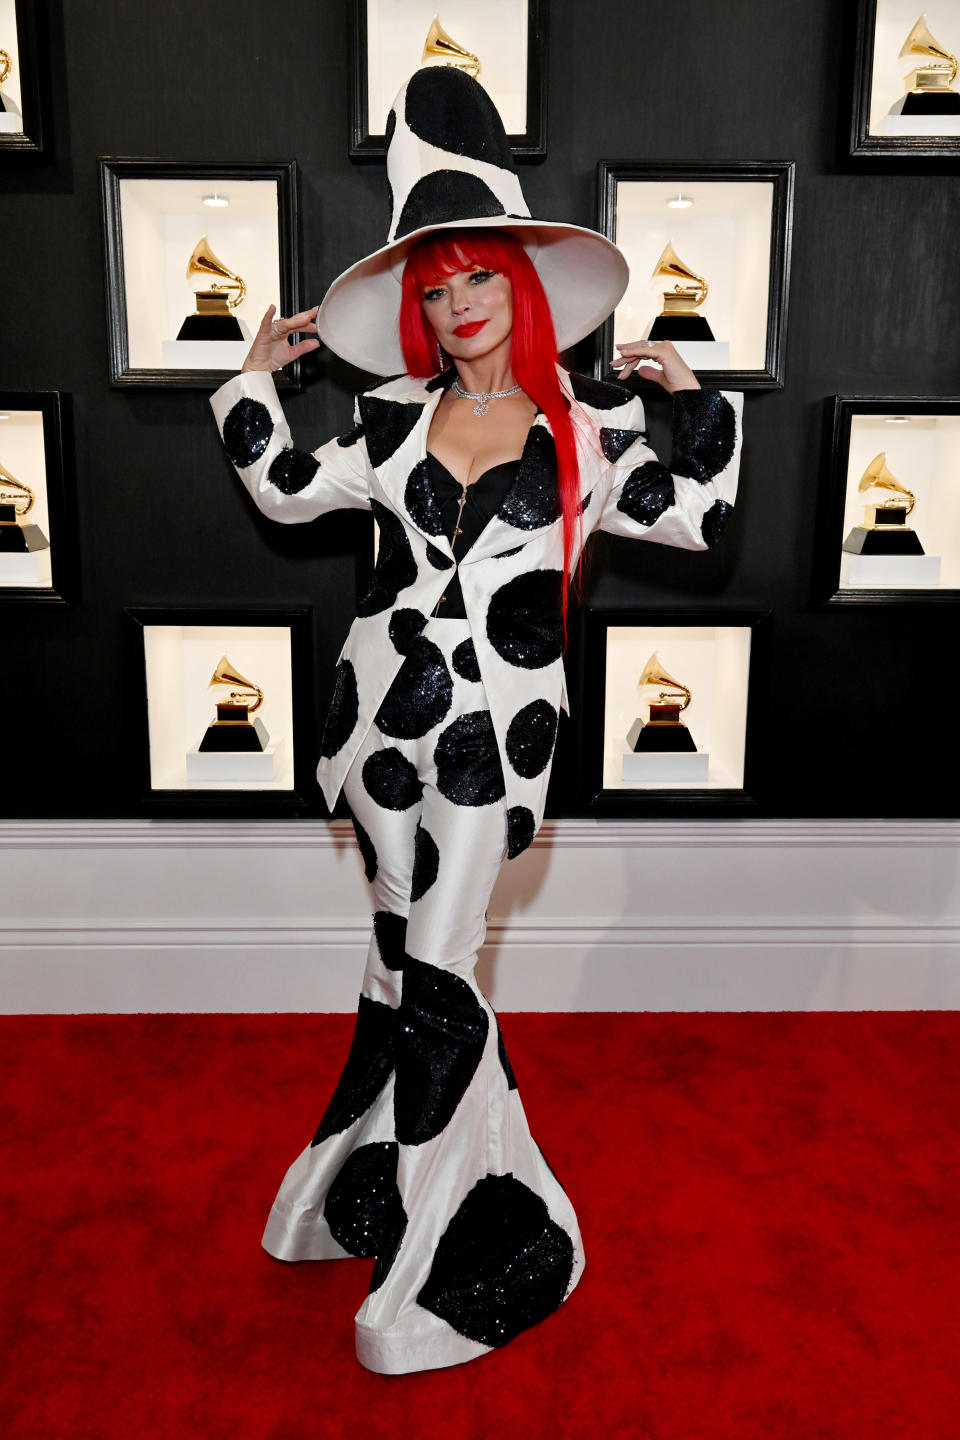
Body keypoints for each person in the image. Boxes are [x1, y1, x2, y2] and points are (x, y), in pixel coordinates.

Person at [210, 66, 743, 1376]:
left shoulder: (589, 431)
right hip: (374, 744)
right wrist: (244, 378)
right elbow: (283, 490)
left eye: (477, 282)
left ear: (523, 282)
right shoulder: (389, 422)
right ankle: (360, 1187)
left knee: (443, 974)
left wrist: (692, 407)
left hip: (493, 759)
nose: (457, 310)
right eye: (435, 291)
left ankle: (450, 1256)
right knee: (404, 974)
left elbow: (704, 520)